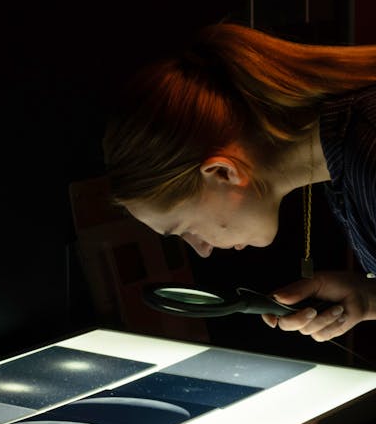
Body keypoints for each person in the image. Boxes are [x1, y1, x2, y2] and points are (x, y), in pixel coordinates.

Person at [102, 21, 376, 344]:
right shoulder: (344, 158)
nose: (202, 249)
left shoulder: (368, 150)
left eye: (185, 227)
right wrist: (368, 297)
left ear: (221, 173)